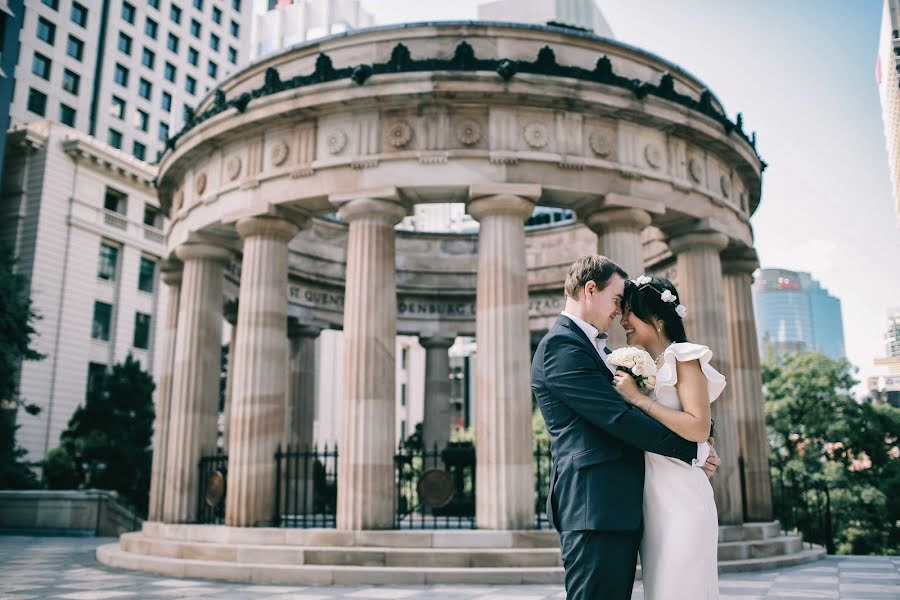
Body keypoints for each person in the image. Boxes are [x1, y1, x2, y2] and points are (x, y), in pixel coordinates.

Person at [531, 255, 720, 600]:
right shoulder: (561, 347)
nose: (620, 313)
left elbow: (667, 405)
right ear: (590, 290)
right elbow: (616, 418)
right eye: (617, 300)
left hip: (623, 505)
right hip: (595, 506)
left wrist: (703, 434)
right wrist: (694, 450)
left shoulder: (600, 348)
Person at [614, 275, 724, 600]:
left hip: (683, 498)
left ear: (658, 319)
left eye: (631, 312)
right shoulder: (642, 367)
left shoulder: (684, 357)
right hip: (654, 500)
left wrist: (638, 399)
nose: (623, 320)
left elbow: (698, 427)